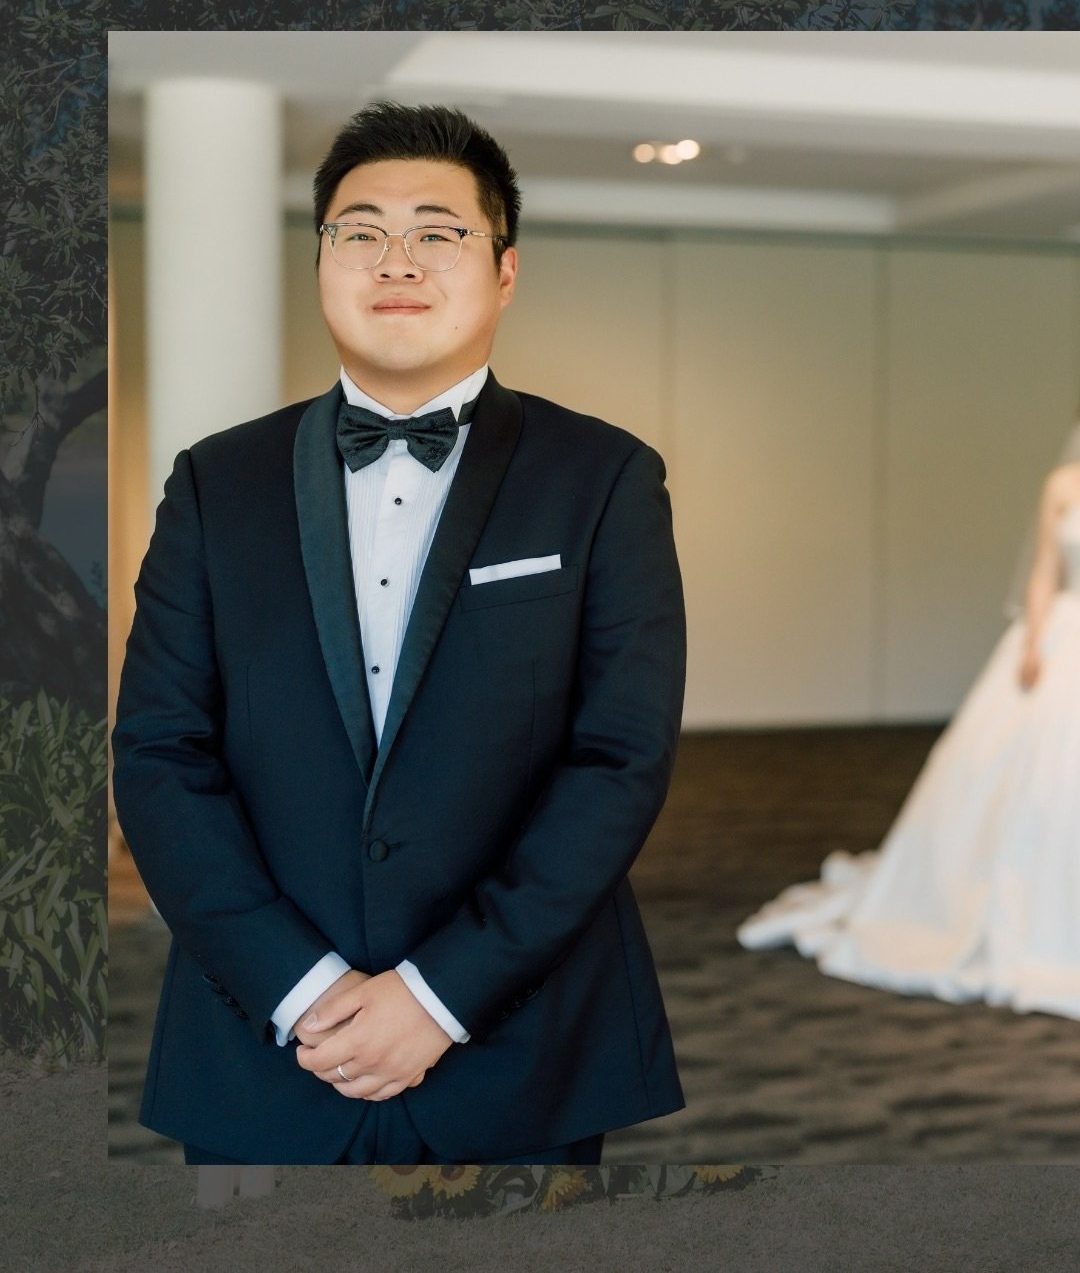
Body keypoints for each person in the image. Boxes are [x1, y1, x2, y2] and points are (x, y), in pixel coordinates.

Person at [112, 101, 686, 1165]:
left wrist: (439, 993)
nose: (397, 260)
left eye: (438, 230)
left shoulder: (603, 478)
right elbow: (157, 753)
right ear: (322, 260)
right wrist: (304, 989)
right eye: (360, 230)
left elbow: (619, 760)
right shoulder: (213, 483)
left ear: (505, 271)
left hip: (516, 1041)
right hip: (267, 1044)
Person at [737, 446, 1080, 1021]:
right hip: (1061, 641)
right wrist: (1031, 641)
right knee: (1022, 779)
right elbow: (1045, 567)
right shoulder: (1062, 484)